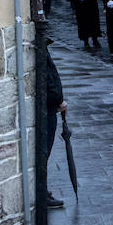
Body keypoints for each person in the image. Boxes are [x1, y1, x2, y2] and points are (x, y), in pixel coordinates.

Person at [41, 50, 67, 210]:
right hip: (48, 107)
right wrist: (58, 100)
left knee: (44, 152)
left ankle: (42, 190)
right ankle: (41, 192)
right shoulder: (39, 43)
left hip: (50, 105)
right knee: (44, 152)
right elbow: (49, 78)